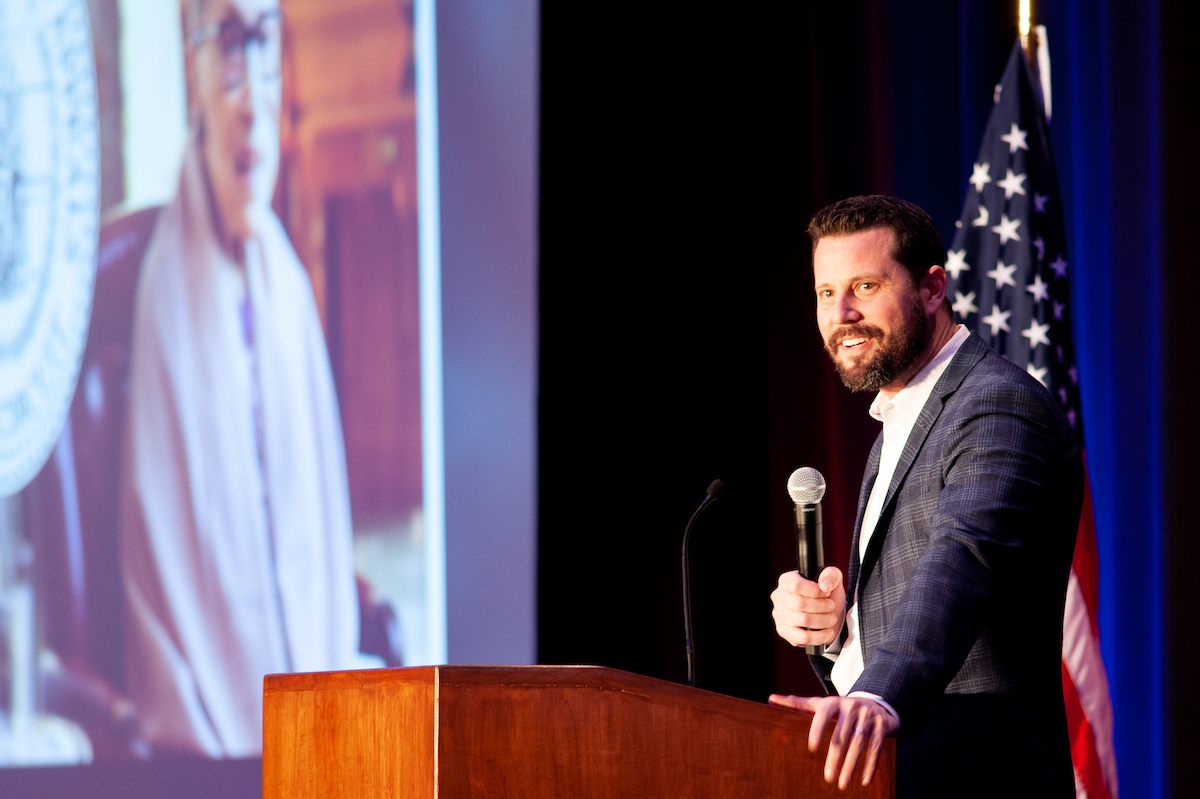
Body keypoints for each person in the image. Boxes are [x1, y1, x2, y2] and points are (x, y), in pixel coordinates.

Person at [118, 0, 370, 756]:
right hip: (224, 740)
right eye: (230, 47)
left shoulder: (285, 280)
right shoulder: (169, 299)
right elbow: (171, 592)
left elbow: (313, 531)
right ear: (193, 71)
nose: (254, 103)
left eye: (264, 45)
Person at [768, 196, 1081, 797]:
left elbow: (962, 561)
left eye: (864, 285)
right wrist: (837, 632)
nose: (844, 313)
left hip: (981, 776)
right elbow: (903, 601)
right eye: (827, 293)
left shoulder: (995, 404)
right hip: (902, 774)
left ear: (932, 288)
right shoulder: (901, 418)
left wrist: (878, 694)